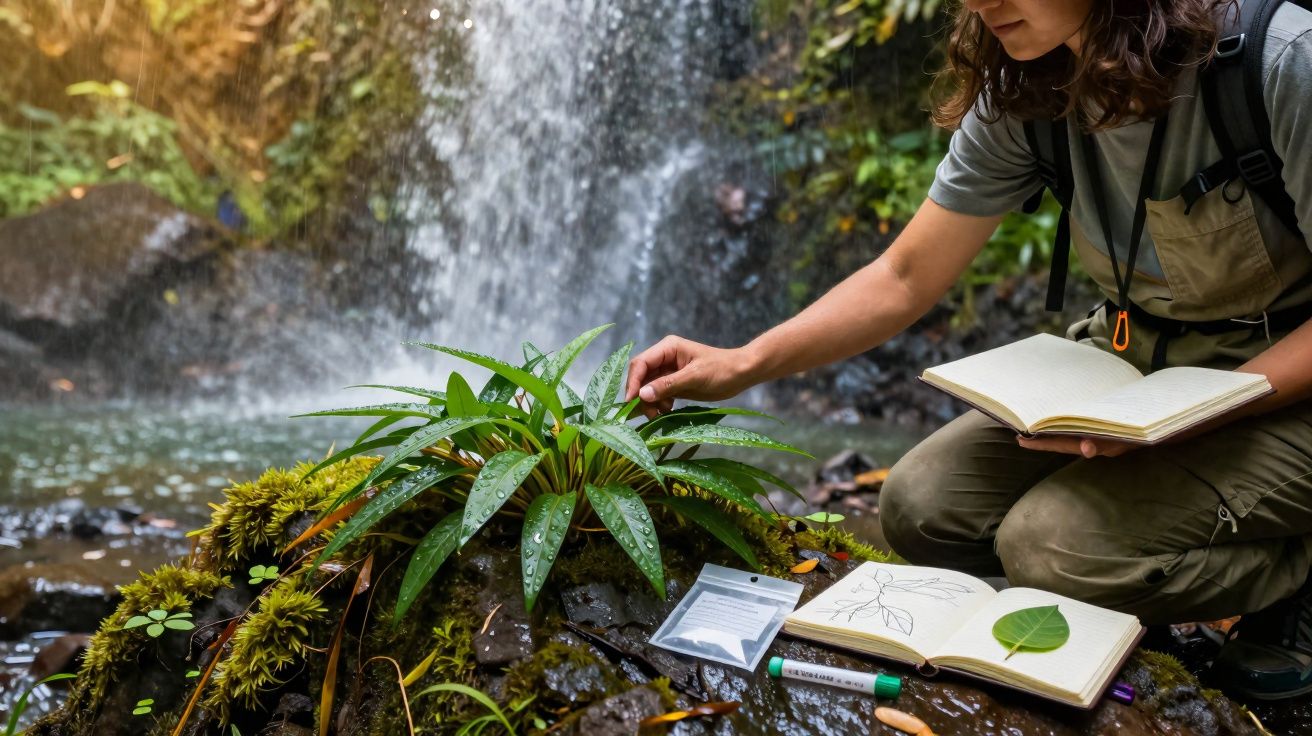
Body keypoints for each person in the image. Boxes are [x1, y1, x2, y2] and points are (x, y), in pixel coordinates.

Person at [624, 0, 1312, 700]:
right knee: (920, 506)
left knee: (1049, 546)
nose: (982, 3)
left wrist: (1192, 416)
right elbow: (904, 275)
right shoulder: (1033, 80)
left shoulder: (1276, 62)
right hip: (1137, 363)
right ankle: (1141, 590)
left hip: (1290, 383)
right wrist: (742, 362)